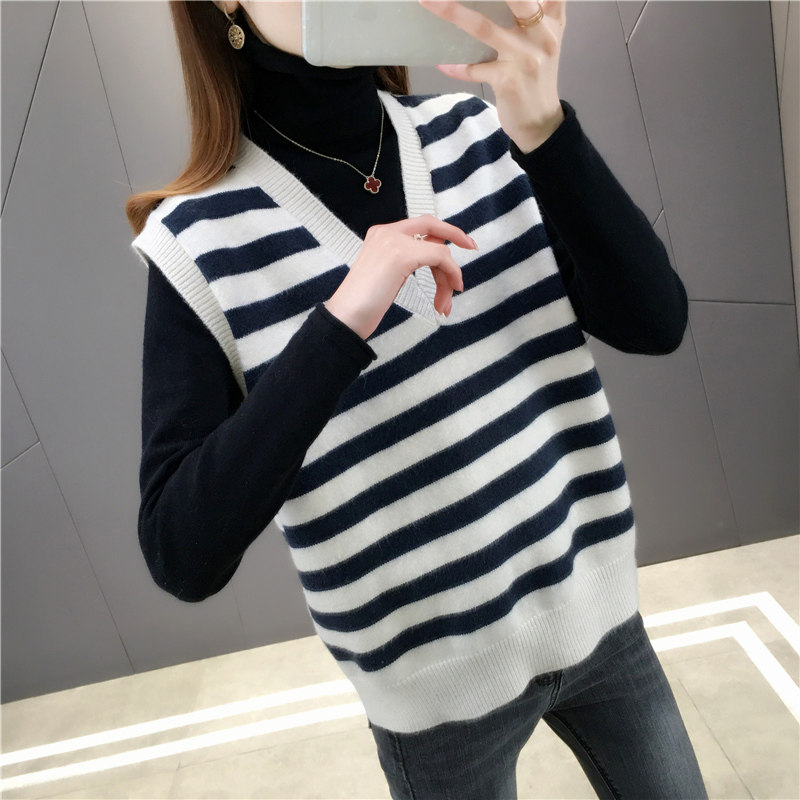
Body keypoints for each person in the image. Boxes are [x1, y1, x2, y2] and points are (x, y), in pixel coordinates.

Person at [126, 1, 708, 798]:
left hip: (602, 621)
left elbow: (655, 323)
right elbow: (182, 554)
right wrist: (340, 322)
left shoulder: (481, 132)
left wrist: (545, 130)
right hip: (434, 709)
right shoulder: (196, 242)